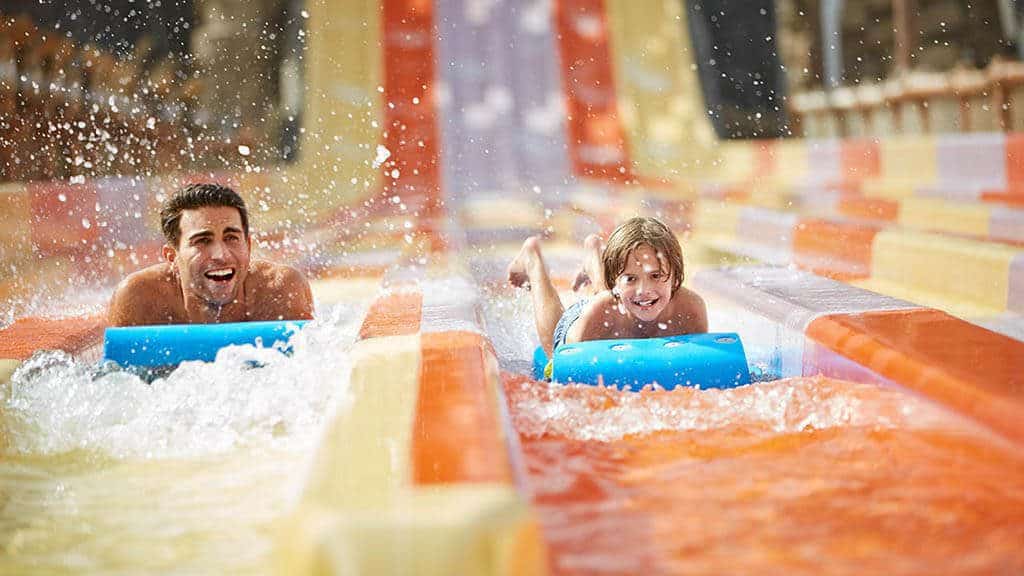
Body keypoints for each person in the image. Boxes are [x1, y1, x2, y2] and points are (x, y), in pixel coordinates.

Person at [507, 216, 707, 372]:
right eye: (631, 279)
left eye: (655, 275)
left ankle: (594, 254)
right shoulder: (600, 311)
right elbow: (563, 368)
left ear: (676, 275)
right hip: (589, 320)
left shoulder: (691, 307)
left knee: (622, 297)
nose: (644, 290)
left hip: (616, 302)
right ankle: (532, 259)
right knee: (553, 344)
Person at [108, 183, 314, 326]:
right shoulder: (140, 298)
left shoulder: (281, 290)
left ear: (248, 246)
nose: (221, 255)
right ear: (172, 256)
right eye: (202, 241)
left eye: (231, 238)